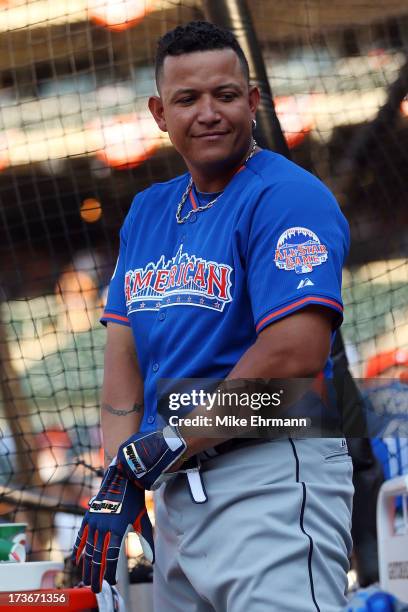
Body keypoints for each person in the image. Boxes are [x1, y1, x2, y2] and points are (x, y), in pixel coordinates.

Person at [73, 21, 353, 611]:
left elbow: (292, 359)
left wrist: (165, 444)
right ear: (158, 112)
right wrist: (117, 480)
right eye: (187, 99)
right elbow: (123, 360)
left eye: (225, 95)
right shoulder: (148, 211)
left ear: (252, 102)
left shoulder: (287, 196)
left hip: (269, 476)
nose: (208, 113)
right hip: (178, 492)